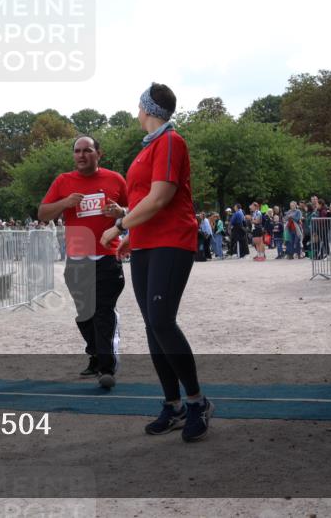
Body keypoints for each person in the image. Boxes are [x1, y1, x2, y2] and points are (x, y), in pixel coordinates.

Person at [100, 83, 213, 441]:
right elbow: (144, 201)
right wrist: (133, 237)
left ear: (147, 109)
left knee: (162, 320)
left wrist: (118, 226)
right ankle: (173, 404)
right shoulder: (148, 148)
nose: (136, 112)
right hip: (148, 243)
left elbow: (160, 197)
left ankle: (196, 401)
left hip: (172, 241)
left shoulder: (170, 142)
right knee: (153, 325)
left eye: (138, 106)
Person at [38, 136, 128, 390]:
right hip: (77, 259)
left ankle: (107, 368)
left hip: (107, 257)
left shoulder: (115, 179)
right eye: (77, 151)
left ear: (99, 153)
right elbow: (42, 213)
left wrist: (120, 212)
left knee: (102, 312)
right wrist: (64, 203)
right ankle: (96, 354)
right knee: (84, 314)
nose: (81, 155)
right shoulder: (63, 181)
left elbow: (136, 207)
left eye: (87, 150)